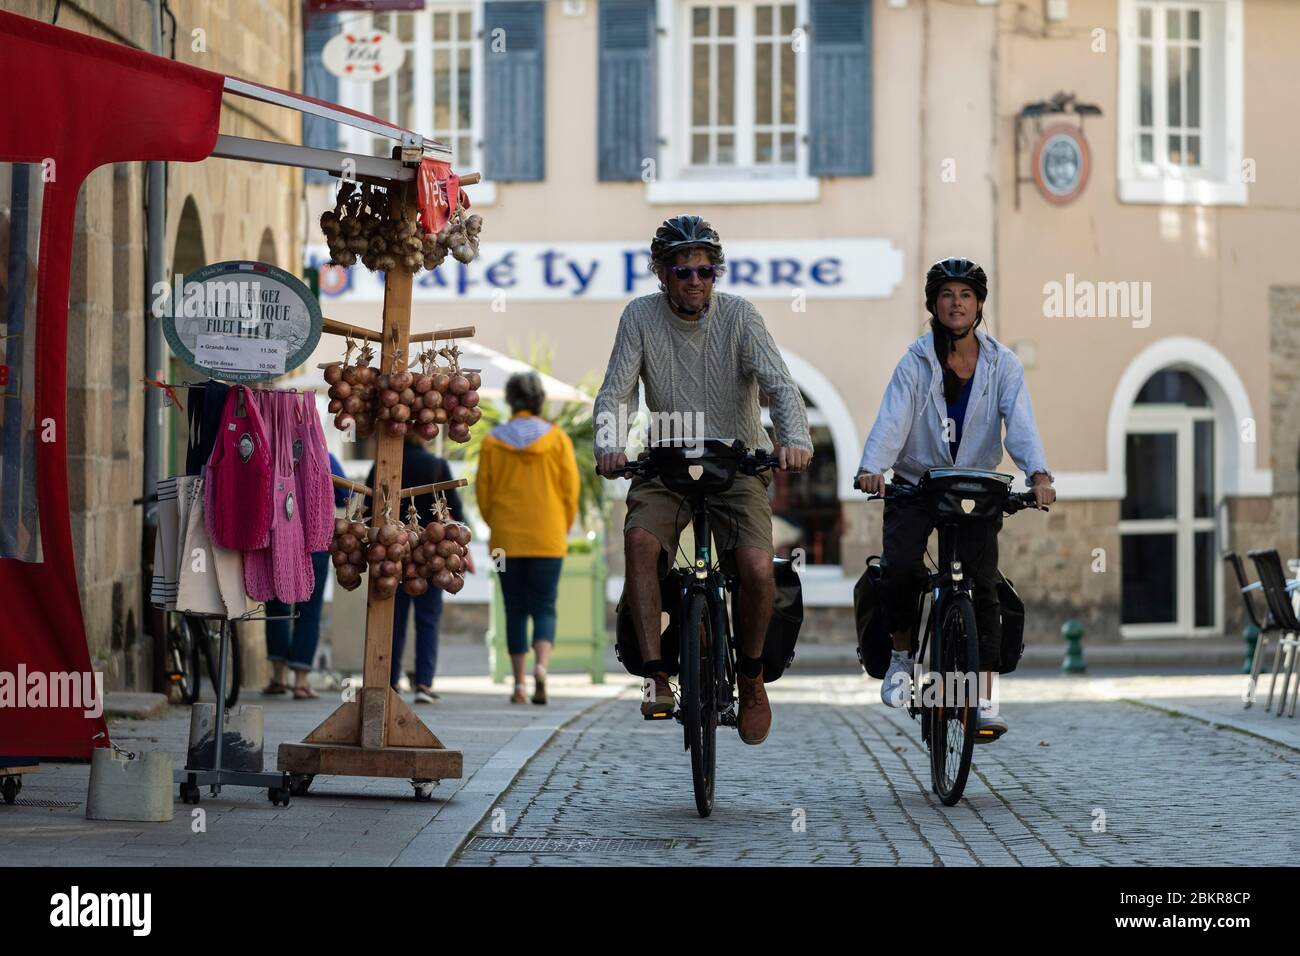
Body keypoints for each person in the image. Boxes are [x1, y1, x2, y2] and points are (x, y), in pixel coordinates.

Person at [594, 215, 813, 745]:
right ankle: (655, 674)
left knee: (759, 567)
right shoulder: (639, 316)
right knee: (641, 542)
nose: (695, 280)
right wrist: (609, 444)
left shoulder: (741, 316)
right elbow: (617, 392)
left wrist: (795, 440)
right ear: (661, 273)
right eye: (682, 270)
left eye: (705, 270)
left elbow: (779, 386)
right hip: (664, 464)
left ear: (716, 273)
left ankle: (752, 675)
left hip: (737, 462)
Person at [855, 257, 1055, 741]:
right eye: (947, 295)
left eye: (966, 295)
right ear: (934, 304)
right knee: (901, 567)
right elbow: (894, 417)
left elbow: (1020, 423)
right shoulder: (916, 360)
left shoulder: (1001, 363)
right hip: (916, 483)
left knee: (982, 587)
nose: (956, 303)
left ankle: (983, 696)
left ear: (979, 305)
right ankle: (902, 657)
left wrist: (1039, 473)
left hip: (974, 485)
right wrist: (871, 468)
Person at [476, 372, 580, 705]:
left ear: (510, 401)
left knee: (514, 608)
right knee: (545, 606)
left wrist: (498, 523)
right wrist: (561, 527)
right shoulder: (558, 439)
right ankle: (542, 671)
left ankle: (519, 683)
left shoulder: (493, 441)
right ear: (538, 401)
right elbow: (570, 490)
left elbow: (483, 493)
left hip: (506, 540)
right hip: (548, 537)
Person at [367, 433, 474, 703]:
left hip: (394, 554)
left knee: (394, 619)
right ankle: (424, 684)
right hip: (432, 554)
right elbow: (456, 511)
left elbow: (369, 507)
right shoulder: (436, 464)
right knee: (428, 619)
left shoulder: (381, 465)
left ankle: (390, 683)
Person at [264, 451, 350, 699]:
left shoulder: (275, 452)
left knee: (277, 605)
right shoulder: (325, 457)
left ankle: (278, 676)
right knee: (309, 611)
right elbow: (348, 497)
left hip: (280, 539)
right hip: (315, 543)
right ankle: (301, 682)